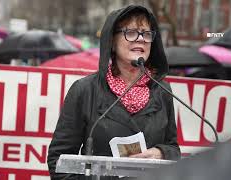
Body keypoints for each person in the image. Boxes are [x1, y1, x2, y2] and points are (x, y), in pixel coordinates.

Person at [48, 5, 181, 180]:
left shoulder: (162, 91)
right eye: (131, 32)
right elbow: (58, 161)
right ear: (112, 41)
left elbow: (173, 149)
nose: (140, 39)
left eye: (146, 34)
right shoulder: (85, 90)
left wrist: (161, 153)